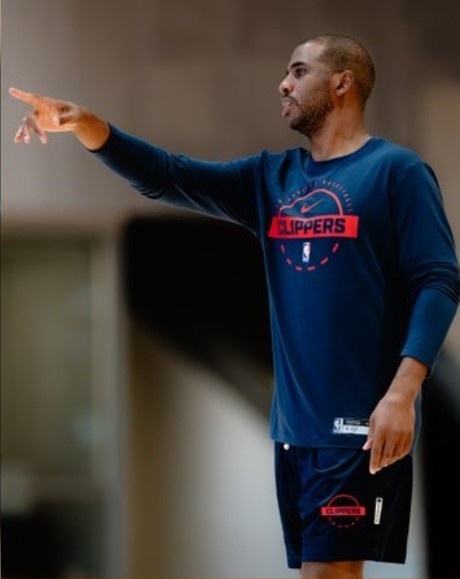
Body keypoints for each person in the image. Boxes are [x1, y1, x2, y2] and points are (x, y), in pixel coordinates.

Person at [10, 34, 460, 579]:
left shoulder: (397, 172)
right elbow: (169, 177)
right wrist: (86, 124)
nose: (283, 84)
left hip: (357, 422)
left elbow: (438, 280)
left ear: (343, 82)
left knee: (330, 573)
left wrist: (402, 393)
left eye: (299, 71)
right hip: (292, 427)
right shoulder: (273, 178)